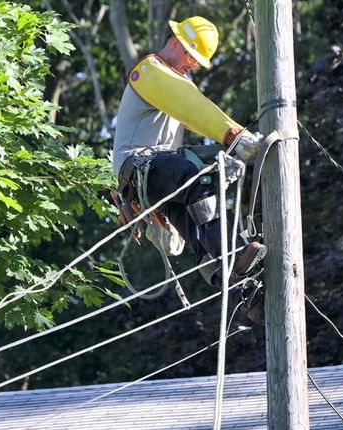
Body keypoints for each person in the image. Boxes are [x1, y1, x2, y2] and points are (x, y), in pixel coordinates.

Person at [113, 16, 266, 288]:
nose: (193, 65)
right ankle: (228, 254)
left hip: (157, 175)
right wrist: (233, 134)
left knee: (195, 226)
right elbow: (194, 108)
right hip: (139, 169)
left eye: (196, 61)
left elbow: (192, 109)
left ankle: (235, 285)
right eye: (192, 57)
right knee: (193, 178)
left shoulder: (177, 81)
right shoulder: (150, 71)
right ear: (176, 42)